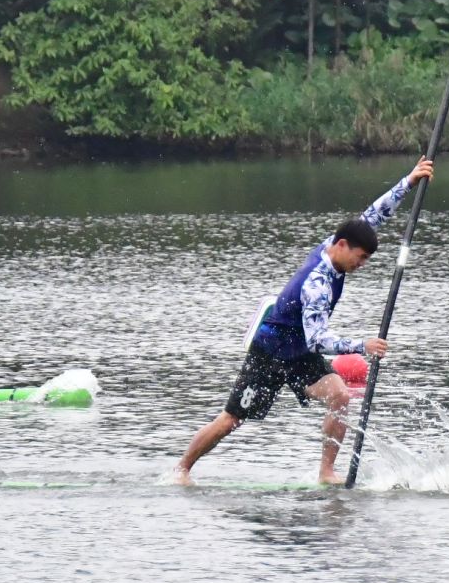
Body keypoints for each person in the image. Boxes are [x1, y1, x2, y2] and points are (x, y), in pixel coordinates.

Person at [176, 158, 435, 485]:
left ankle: (326, 472)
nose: (362, 265)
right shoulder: (317, 285)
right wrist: (362, 345)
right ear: (343, 246)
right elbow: (318, 340)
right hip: (270, 352)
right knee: (232, 420)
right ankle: (182, 469)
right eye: (360, 258)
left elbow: (373, 216)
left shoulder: (335, 244)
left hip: (298, 351)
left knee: (340, 396)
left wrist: (409, 181)